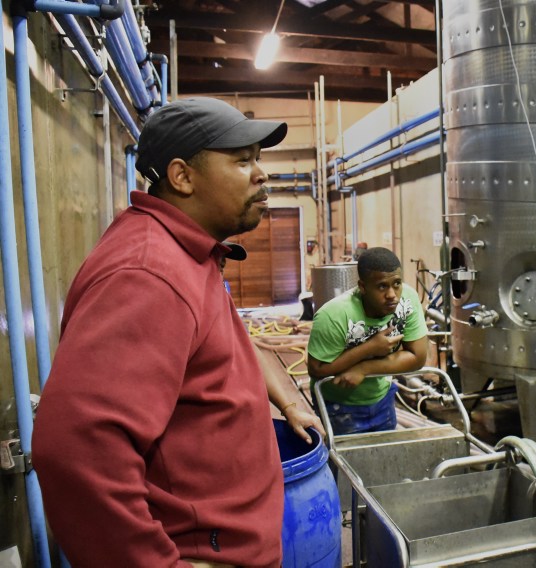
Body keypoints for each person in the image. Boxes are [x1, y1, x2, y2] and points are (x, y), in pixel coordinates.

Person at [32, 97, 323, 568]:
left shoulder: (190, 254)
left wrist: (288, 402)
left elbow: (224, 347)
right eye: (242, 160)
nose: (261, 174)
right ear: (182, 177)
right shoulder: (148, 274)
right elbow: (74, 450)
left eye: (258, 159)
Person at [307, 247, 428, 434]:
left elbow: (417, 357)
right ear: (362, 287)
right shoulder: (334, 315)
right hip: (338, 406)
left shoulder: (407, 301)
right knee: (343, 453)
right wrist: (369, 348)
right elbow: (317, 369)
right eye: (382, 286)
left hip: (382, 397)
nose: (392, 294)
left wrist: (365, 368)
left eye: (397, 283)